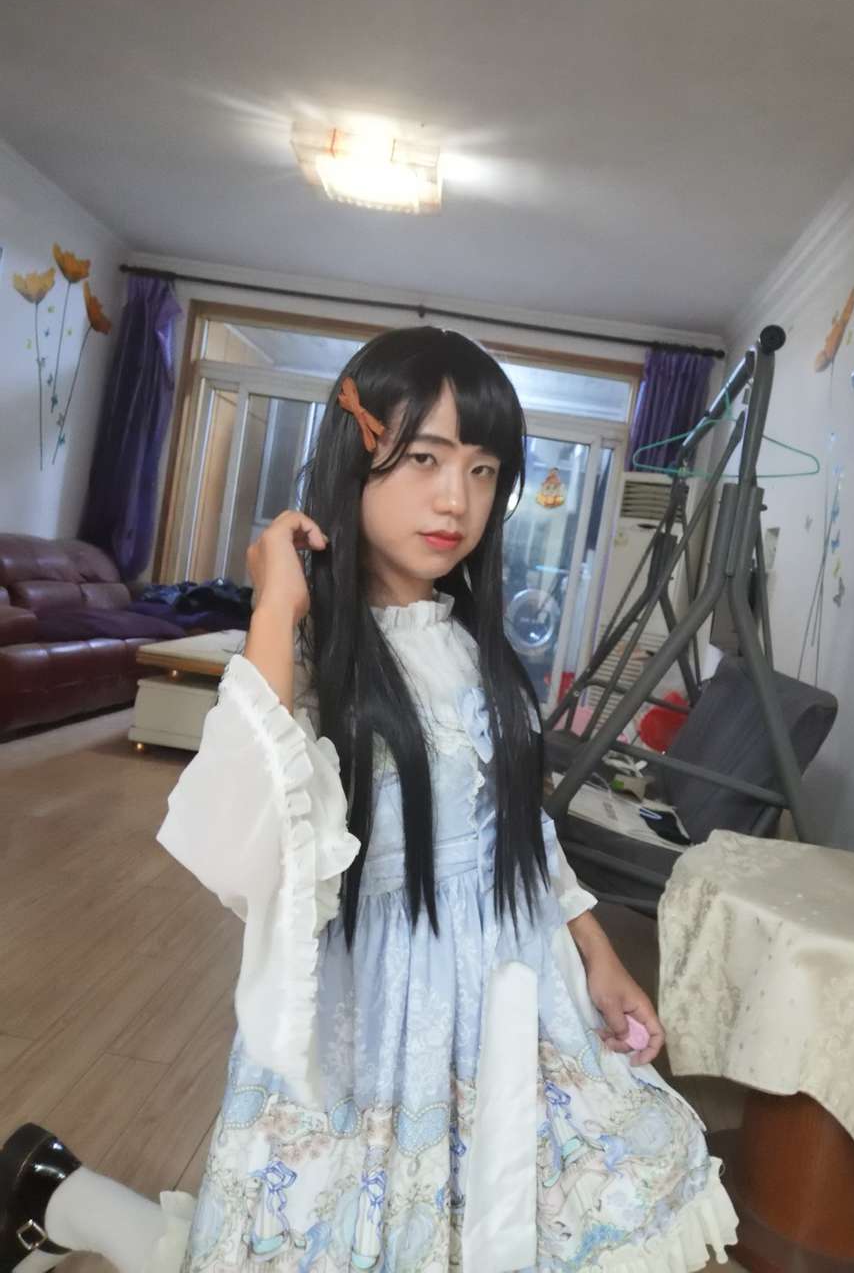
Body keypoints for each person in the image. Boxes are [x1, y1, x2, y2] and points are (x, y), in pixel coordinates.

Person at [1, 327, 737, 1272]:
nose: (456, 498)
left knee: (516, 1218)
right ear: (357, 457)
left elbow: (518, 828)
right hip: (382, 1008)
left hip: (517, 982)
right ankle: (61, 1198)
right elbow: (244, 842)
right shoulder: (310, 656)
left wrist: (596, 951)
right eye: (425, 458)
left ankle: (55, 1195)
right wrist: (274, 608)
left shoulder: (478, 645)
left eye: (482, 470)